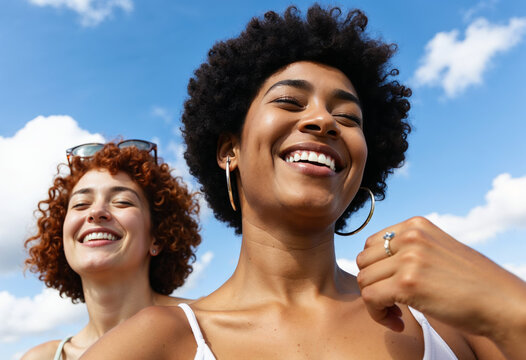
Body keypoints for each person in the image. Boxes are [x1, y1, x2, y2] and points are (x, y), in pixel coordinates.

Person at [82, 6, 526, 359]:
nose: (322, 120)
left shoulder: (444, 318)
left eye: (348, 117)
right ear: (228, 150)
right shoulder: (157, 341)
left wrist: (510, 307)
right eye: (290, 101)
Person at [22, 140, 201, 360]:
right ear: (61, 237)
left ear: (157, 237)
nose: (96, 212)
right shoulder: (43, 358)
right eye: (80, 204)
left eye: (122, 202)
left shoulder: (207, 325)